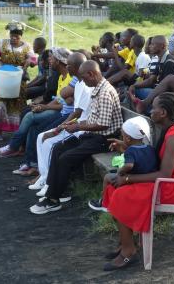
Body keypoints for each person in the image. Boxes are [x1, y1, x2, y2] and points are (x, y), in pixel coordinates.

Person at [98, 93, 174, 271]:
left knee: (122, 194)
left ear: (162, 112)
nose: (150, 111)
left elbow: (164, 172)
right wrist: (127, 149)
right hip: (169, 181)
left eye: (154, 108)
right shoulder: (168, 130)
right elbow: (153, 161)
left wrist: (128, 178)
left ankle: (128, 251)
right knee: (113, 187)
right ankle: (126, 242)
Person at [30, 60, 123, 215]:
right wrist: (73, 125)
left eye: (83, 78)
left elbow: (103, 125)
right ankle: (56, 193)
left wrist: (79, 126)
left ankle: (53, 199)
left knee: (66, 157)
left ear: (91, 74)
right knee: (58, 148)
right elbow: (93, 120)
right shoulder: (98, 88)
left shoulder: (105, 92)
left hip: (104, 140)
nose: (83, 81)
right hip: (93, 135)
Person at [0, 47, 72, 158]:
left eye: (51, 58)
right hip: (56, 108)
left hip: (63, 113)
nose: (49, 60)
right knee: (30, 116)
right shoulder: (61, 77)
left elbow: (66, 104)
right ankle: (25, 156)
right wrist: (42, 106)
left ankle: (13, 147)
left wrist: (45, 107)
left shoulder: (70, 79)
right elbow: (58, 99)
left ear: (58, 61)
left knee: (30, 116)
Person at [32, 53, 92, 194]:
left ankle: (50, 184)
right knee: (41, 137)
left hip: (80, 127)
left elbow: (77, 113)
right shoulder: (78, 83)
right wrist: (61, 126)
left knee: (49, 142)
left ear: (77, 67)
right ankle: (45, 177)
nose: (67, 67)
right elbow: (69, 104)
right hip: (74, 123)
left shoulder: (85, 86)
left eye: (69, 65)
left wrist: (60, 127)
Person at [88, 116, 157, 212]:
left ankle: (104, 202)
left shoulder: (130, 151)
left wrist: (120, 171)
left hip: (134, 180)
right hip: (148, 180)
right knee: (113, 173)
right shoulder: (150, 148)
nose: (122, 138)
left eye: (122, 136)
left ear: (128, 138)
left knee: (107, 177)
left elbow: (129, 165)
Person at [0, 22, 37, 139]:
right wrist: (0, 62)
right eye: (12, 35)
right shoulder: (3, 43)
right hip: (3, 78)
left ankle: (18, 131)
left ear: (21, 36)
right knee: (0, 103)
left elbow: (32, 60)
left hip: (18, 80)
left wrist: (28, 63)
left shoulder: (27, 47)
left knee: (18, 104)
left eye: (16, 36)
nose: (13, 38)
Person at [129, 36, 174, 115]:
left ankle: (145, 110)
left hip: (172, 98)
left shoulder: (169, 62)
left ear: (162, 46)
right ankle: (142, 109)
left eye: (153, 44)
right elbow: (151, 80)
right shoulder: (161, 59)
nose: (150, 46)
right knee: (133, 89)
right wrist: (134, 86)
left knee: (142, 94)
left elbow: (168, 90)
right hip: (159, 92)